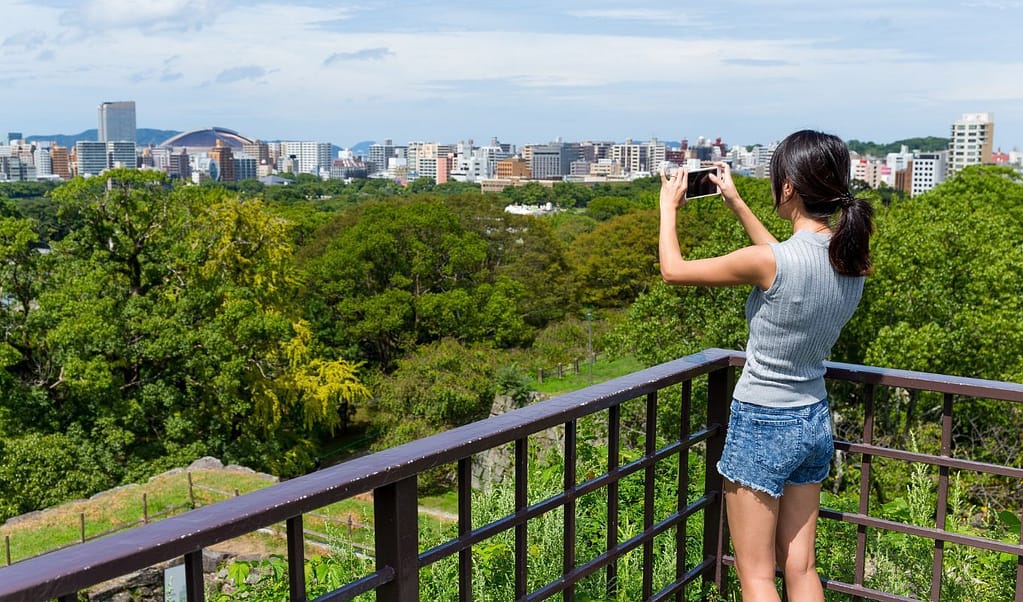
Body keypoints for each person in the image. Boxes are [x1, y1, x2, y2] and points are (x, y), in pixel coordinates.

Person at [658, 130, 874, 601]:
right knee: (801, 567)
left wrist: (667, 207)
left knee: (756, 576)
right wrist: (736, 202)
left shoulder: (775, 262)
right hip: (813, 416)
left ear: (789, 187)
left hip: (762, 420)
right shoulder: (850, 259)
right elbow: (781, 258)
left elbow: (674, 270)